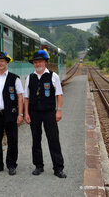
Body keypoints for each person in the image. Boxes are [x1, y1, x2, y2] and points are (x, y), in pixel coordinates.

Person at [24, 50, 67, 178]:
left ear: (45, 62)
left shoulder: (54, 76)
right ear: (33, 64)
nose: (38, 64)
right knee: (36, 140)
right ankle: (38, 166)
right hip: (34, 113)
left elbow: (59, 94)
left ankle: (58, 168)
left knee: (53, 140)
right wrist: (26, 113)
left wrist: (59, 110)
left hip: (49, 112)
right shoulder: (29, 78)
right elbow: (26, 98)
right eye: (35, 62)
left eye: (40, 61)